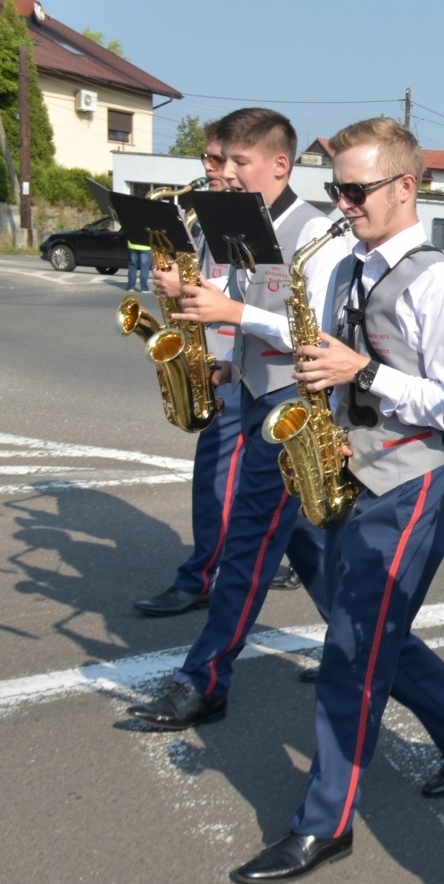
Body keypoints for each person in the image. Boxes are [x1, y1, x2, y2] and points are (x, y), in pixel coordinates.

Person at [228, 118, 444, 884]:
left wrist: (361, 374)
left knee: (352, 653)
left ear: (406, 187)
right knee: (367, 630)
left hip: (411, 484)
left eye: (356, 190)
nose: (343, 204)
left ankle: (324, 823)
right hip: (354, 469)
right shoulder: (342, 264)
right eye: (335, 189)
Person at [125, 108, 352, 730]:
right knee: (307, 548)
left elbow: (322, 335)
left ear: (280, 164)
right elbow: (248, 313)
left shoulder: (318, 235)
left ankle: (205, 679)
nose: (224, 172)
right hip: (254, 393)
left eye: (238, 163)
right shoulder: (240, 224)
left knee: (249, 548)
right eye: (221, 162)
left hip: (294, 409)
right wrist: (228, 360)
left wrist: (236, 316)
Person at [134, 127, 246, 618]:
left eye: (223, 160)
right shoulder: (202, 218)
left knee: (217, 477)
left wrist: (191, 284)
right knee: (250, 482)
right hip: (218, 361)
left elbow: (257, 293)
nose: (212, 168)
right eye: (209, 158)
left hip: (246, 368)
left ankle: (200, 576)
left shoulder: (252, 221)